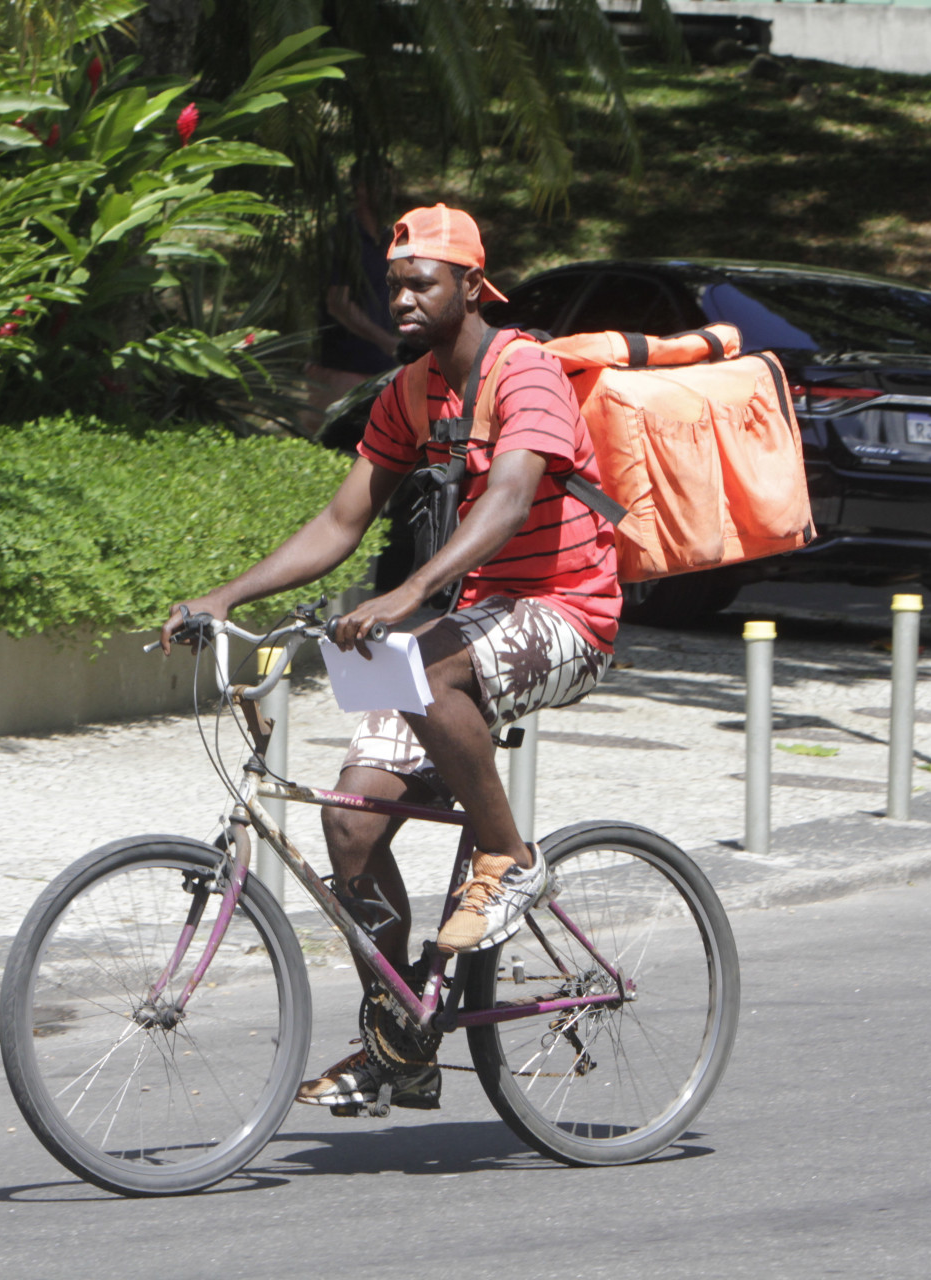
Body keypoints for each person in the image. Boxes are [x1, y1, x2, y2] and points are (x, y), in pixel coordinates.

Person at [161, 204, 620, 1113]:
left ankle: (508, 858)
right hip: (477, 616)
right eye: (394, 283)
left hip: (567, 612)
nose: (402, 298)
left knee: (427, 665)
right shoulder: (412, 390)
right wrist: (224, 596)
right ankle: (400, 1041)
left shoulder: (523, 371)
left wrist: (411, 593)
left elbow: (512, 499)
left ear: (470, 286)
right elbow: (341, 521)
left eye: (422, 282)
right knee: (351, 827)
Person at [303, 161, 399, 431]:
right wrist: (387, 341)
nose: (392, 193)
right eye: (385, 185)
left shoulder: (387, 240)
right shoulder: (343, 237)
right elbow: (338, 303)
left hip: (380, 371)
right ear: (362, 190)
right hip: (341, 371)